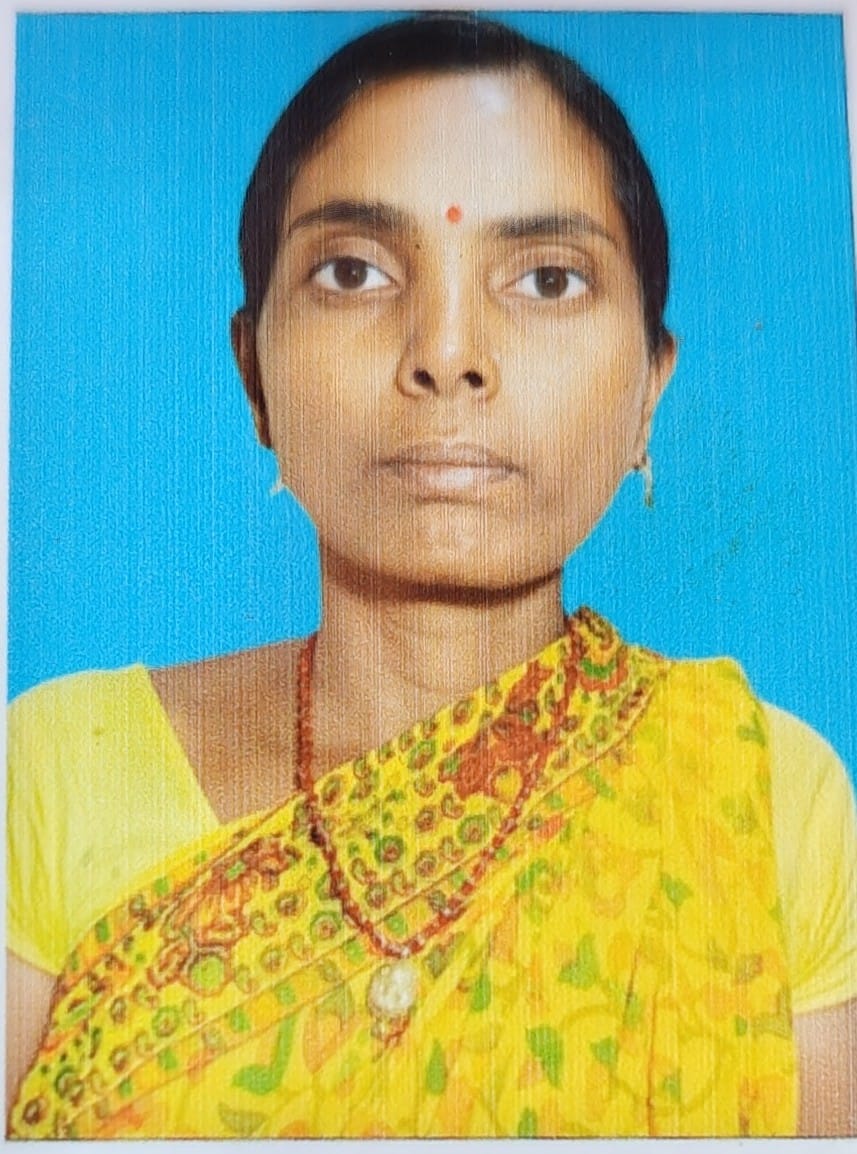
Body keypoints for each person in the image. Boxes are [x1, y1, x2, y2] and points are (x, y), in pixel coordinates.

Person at [6, 12, 857, 1138]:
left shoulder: (761, 801)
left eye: (546, 279)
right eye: (353, 271)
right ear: (254, 374)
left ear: (648, 388)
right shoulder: (57, 770)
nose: (446, 354)